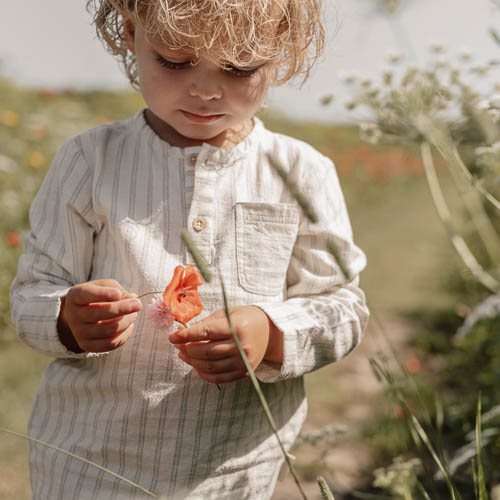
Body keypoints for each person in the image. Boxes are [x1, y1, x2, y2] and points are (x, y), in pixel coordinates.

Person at [10, 0, 369, 498]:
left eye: (239, 68)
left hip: (232, 469)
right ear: (133, 35)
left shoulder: (301, 171)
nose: (204, 90)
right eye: (175, 61)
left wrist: (272, 333)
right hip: (86, 460)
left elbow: (343, 308)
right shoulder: (90, 161)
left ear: (280, 53)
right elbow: (30, 295)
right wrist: (67, 317)